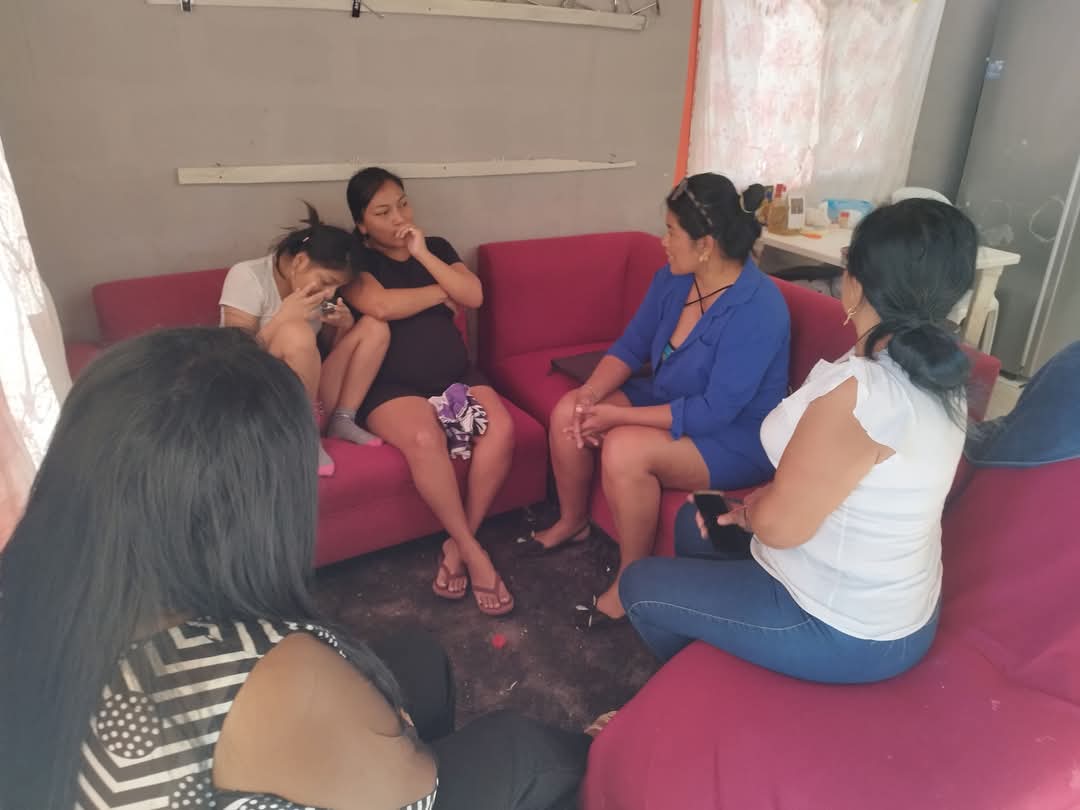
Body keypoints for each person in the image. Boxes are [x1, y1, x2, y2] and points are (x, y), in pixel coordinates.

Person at [0, 327, 590, 810]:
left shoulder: (38, 585)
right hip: (343, 762)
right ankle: (602, 756)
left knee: (418, 658)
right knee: (527, 751)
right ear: (253, 505)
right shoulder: (266, 673)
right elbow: (411, 790)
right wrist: (396, 731)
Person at [618, 198, 977, 684]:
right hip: (876, 598)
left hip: (842, 626)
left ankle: (694, 688)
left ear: (855, 282)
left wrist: (753, 513)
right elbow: (838, 484)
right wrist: (761, 505)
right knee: (696, 517)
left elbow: (780, 528)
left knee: (639, 586)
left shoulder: (860, 398)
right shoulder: (939, 376)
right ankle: (717, 656)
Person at [522, 173, 791, 629]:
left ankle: (633, 578)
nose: (663, 242)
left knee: (624, 448)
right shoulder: (673, 279)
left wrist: (618, 416)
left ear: (705, 245)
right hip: (670, 397)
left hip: (733, 436)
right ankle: (573, 521)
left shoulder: (759, 309)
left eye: (671, 231)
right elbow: (631, 347)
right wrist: (591, 394)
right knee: (570, 409)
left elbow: (714, 411)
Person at [341, 167, 516, 616]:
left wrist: (422, 254)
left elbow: (473, 294)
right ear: (362, 224)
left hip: (457, 375)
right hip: (391, 385)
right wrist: (441, 293)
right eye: (382, 211)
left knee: (501, 429)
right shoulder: (356, 259)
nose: (398, 216)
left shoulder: (435, 246)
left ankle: (458, 544)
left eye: (402, 203)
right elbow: (379, 305)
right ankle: (474, 552)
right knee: (424, 438)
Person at [220, 202, 389, 477]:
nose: (329, 293)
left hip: (311, 397)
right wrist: (282, 318)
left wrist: (343, 327)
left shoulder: (317, 295)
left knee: (374, 327)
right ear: (299, 261)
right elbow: (232, 359)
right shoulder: (248, 277)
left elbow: (320, 356)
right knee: (295, 332)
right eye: (326, 282)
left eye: (338, 287)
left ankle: (342, 419)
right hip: (257, 399)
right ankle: (304, 436)